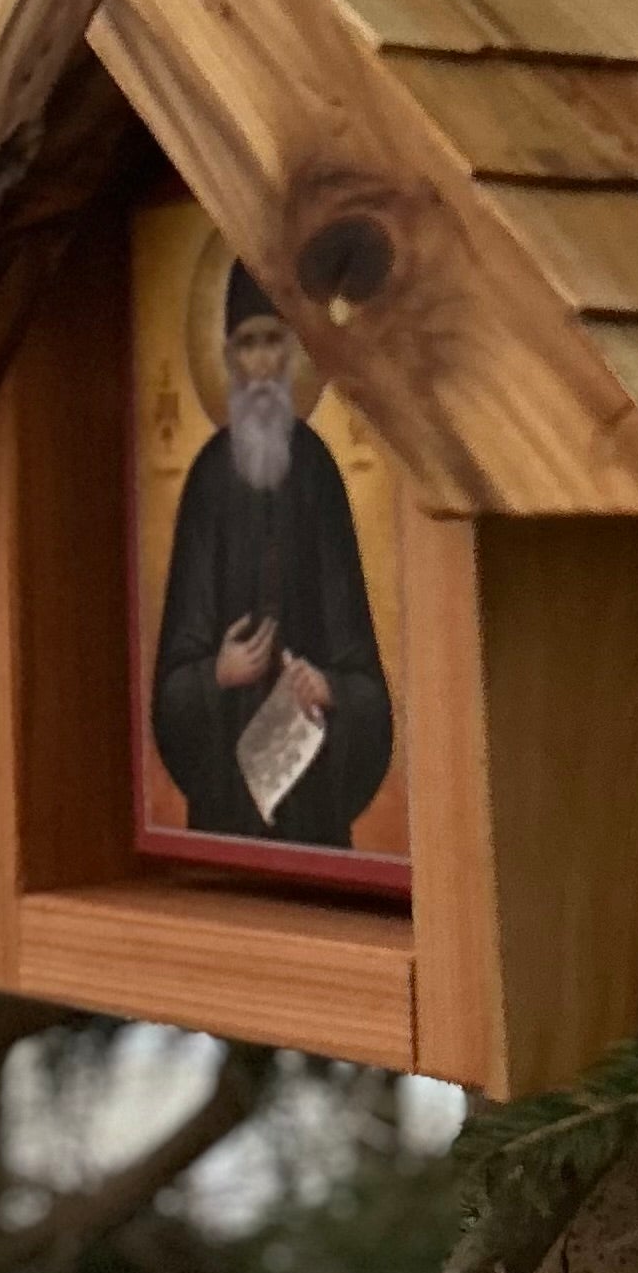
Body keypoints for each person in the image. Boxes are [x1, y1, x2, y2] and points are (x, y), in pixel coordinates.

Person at [151, 262, 392, 847]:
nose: (260, 363)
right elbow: (172, 687)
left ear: (293, 354)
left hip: (313, 800)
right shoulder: (208, 482)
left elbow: (363, 678)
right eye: (247, 344)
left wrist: (329, 687)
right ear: (228, 359)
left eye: (273, 341)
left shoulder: (318, 475)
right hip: (225, 804)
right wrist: (217, 673)